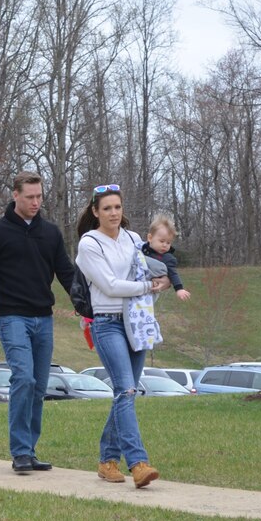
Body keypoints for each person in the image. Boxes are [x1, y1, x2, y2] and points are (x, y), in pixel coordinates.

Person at [0, 171, 75, 474]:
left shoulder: (51, 233)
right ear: (15, 195)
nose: (35, 202)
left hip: (44, 318)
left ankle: (29, 450)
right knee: (24, 379)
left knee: (39, 386)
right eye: (29, 196)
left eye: (39, 196)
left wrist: (85, 305)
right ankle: (19, 452)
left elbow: (66, 273)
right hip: (12, 317)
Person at [75, 183, 170, 488]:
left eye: (117, 207)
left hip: (136, 321)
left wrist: (165, 279)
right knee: (126, 391)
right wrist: (147, 287)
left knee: (124, 395)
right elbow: (111, 285)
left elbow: (152, 267)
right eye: (107, 208)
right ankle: (139, 463)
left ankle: (107, 461)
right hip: (106, 323)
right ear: (95, 212)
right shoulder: (90, 244)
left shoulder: (133, 239)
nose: (114, 213)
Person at [141, 215, 191, 301]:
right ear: (150, 238)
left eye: (168, 242)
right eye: (161, 241)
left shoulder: (167, 258)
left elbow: (173, 274)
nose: (165, 245)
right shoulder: (142, 248)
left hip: (150, 292)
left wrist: (179, 289)